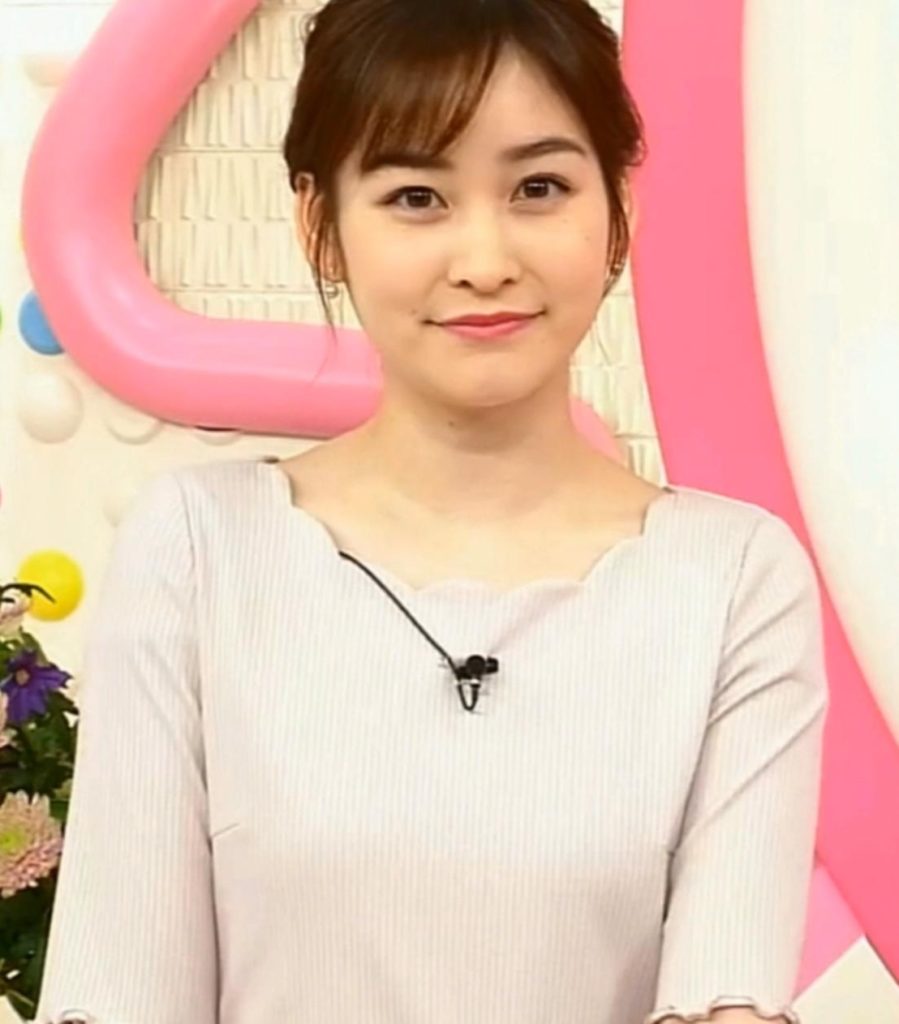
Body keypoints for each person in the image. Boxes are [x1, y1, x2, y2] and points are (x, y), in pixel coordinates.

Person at [34, 1, 829, 1022]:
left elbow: (727, 998)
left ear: (618, 207)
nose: (484, 259)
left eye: (538, 188)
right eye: (416, 196)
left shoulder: (733, 581)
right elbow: (118, 990)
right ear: (319, 224)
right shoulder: (196, 549)